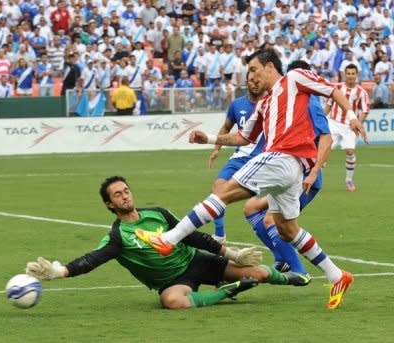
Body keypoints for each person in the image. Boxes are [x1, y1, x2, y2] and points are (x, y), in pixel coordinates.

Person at [136, 49, 368, 310]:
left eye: (254, 70)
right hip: (292, 171)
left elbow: (332, 90)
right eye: (248, 73)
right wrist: (210, 140)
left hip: (283, 157)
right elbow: (243, 138)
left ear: (270, 66)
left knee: (223, 192)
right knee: (286, 228)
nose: (251, 76)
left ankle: (167, 240)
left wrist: (350, 115)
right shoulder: (265, 104)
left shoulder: (294, 77)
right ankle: (337, 275)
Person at [25, 176, 307, 310]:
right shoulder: (117, 237)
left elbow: (193, 235)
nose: (125, 196)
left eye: (126, 190)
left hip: (196, 261)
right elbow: (92, 260)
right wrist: (58, 272)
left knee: (260, 273)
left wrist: (231, 252)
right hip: (174, 281)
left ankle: (291, 278)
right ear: (109, 204)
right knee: (172, 301)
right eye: (117, 195)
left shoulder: (157, 214)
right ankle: (228, 292)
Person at [242, 60, 333, 275]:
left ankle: (298, 269)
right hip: (287, 171)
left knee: (271, 220)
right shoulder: (283, 102)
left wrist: (314, 172)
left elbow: (326, 138)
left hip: (304, 177)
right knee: (250, 209)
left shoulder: (310, 102)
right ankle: (282, 258)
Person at [208, 73, 265, 244]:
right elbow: (226, 127)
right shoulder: (237, 104)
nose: (255, 83)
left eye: (258, 79)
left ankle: (279, 247)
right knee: (217, 190)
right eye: (252, 80)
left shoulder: (271, 104)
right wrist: (216, 149)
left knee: (264, 208)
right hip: (240, 156)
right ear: (246, 82)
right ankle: (219, 235)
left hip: (264, 158)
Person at [324, 64, 370, 192]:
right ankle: (314, 176)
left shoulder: (361, 92)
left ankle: (349, 180)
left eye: (352, 73)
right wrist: (321, 119)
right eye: (348, 73)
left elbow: (365, 110)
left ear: (357, 75)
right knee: (324, 150)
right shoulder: (337, 88)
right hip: (333, 122)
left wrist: (357, 122)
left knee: (350, 151)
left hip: (349, 126)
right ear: (345, 74)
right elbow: (329, 104)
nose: (350, 76)